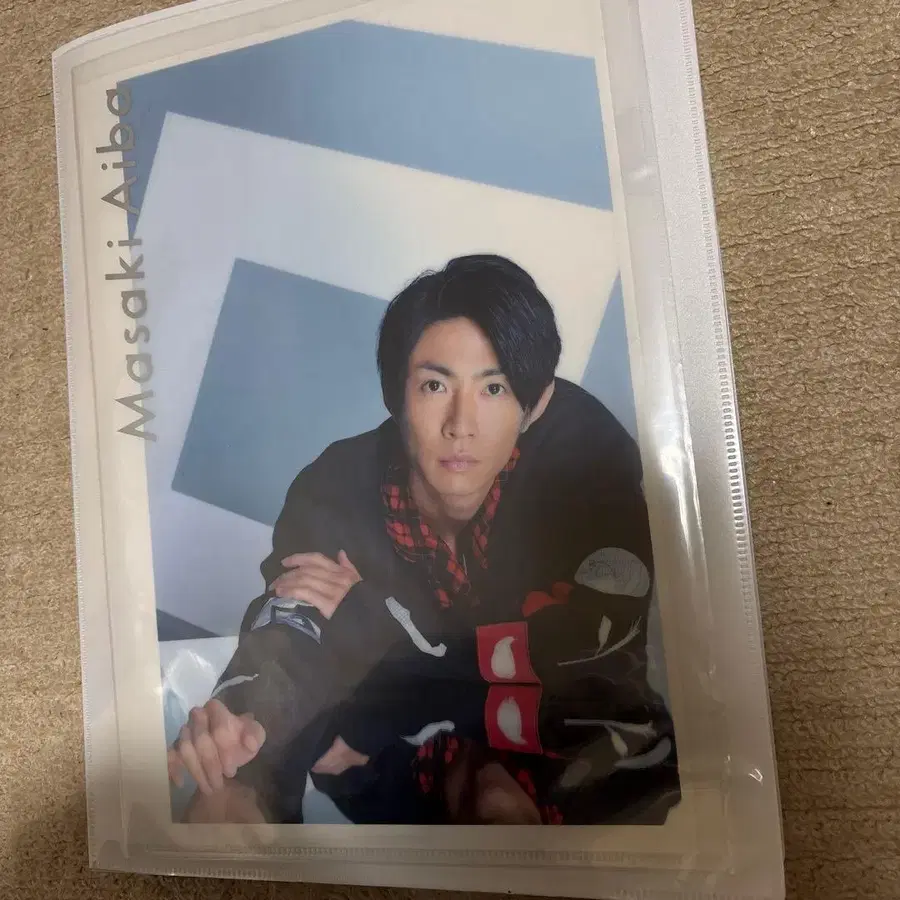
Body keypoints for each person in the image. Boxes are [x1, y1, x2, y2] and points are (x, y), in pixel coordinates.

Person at [168, 254, 678, 824]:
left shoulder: (587, 466)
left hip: (561, 731)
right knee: (223, 797)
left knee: (508, 818)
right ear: (397, 395)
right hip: (388, 748)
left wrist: (374, 625)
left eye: (494, 388)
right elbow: (293, 629)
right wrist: (243, 717)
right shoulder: (335, 488)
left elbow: (581, 654)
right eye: (435, 385)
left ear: (534, 404)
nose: (461, 424)